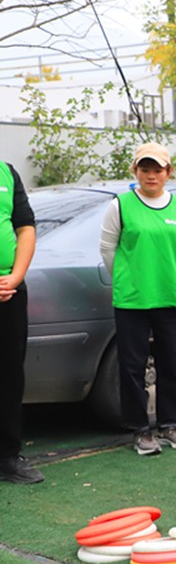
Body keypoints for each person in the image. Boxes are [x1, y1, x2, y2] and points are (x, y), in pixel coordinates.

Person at [99, 143, 176, 455]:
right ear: (135, 171)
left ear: (168, 172)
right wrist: (128, 278)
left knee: (172, 363)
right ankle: (140, 429)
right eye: (144, 169)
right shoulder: (121, 205)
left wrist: (164, 275)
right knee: (132, 365)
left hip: (170, 296)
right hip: (133, 299)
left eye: (157, 170)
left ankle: (169, 424)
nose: (151, 175)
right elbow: (107, 248)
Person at [0, 161, 43, 484]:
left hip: (9, 290)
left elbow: (25, 227)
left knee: (10, 375)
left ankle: (7, 457)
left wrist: (14, 278)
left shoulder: (7, 172)